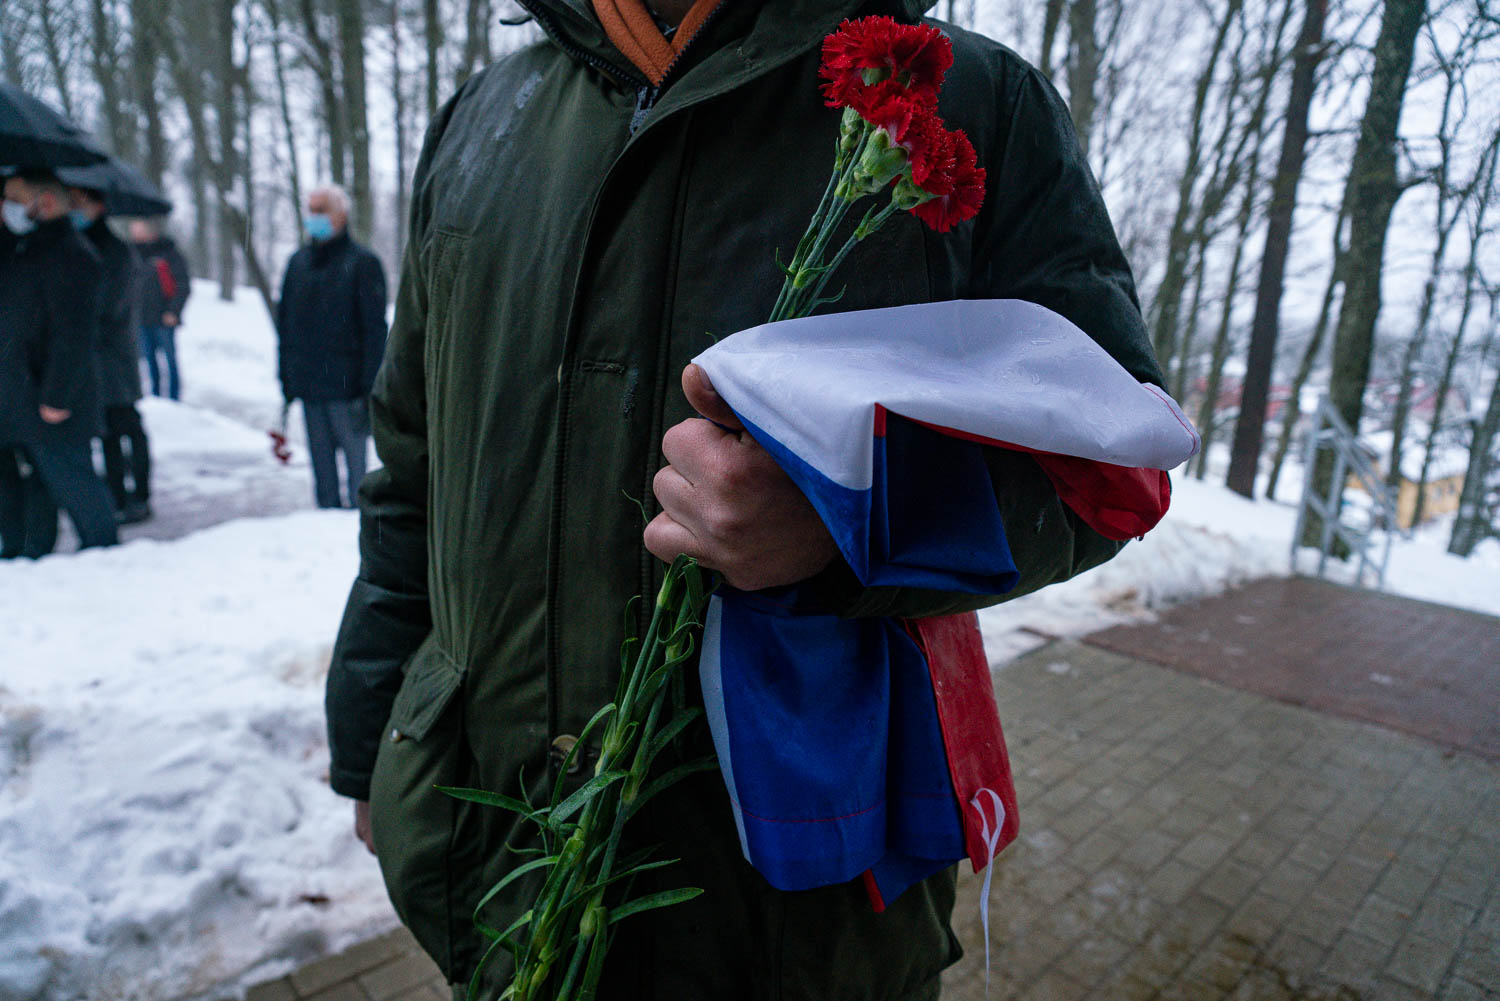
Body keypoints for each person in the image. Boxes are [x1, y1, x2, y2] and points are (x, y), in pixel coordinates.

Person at [323, 1, 1165, 997]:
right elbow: (413, 471)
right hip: (495, 874)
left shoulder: (971, 100)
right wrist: (373, 738)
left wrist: (848, 522)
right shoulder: (482, 116)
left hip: (792, 918)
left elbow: (1111, 463)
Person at [0, 170, 117, 558]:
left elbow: (75, 336)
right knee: (35, 485)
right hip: (20, 392)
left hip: (53, 400)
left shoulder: (72, 254)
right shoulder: (26, 248)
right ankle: (30, 555)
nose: (8, 209)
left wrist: (57, 396)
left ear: (44, 203)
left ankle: (107, 557)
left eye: (14, 200)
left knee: (74, 482)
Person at [274, 185, 388, 509]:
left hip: (348, 390)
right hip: (310, 388)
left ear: (341, 214)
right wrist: (286, 378)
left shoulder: (363, 263)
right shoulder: (297, 263)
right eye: (311, 209)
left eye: (322, 208)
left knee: (358, 482)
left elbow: (375, 330)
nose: (315, 216)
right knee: (323, 482)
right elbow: (286, 326)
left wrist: (368, 387)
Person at [70, 187, 152, 524]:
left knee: (124, 427)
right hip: (94, 358)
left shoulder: (117, 253)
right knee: (109, 432)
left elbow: (110, 309)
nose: (75, 210)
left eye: (81, 204)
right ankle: (119, 495)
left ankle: (138, 496)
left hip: (113, 358)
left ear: (99, 206)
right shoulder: (82, 246)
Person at [130, 218, 191, 400]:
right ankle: (155, 397)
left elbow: (183, 285)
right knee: (149, 361)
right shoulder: (132, 254)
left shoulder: (169, 254)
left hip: (165, 318)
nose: (135, 232)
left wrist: (173, 311)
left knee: (170, 361)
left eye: (138, 227)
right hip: (142, 318)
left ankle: (174, 399)